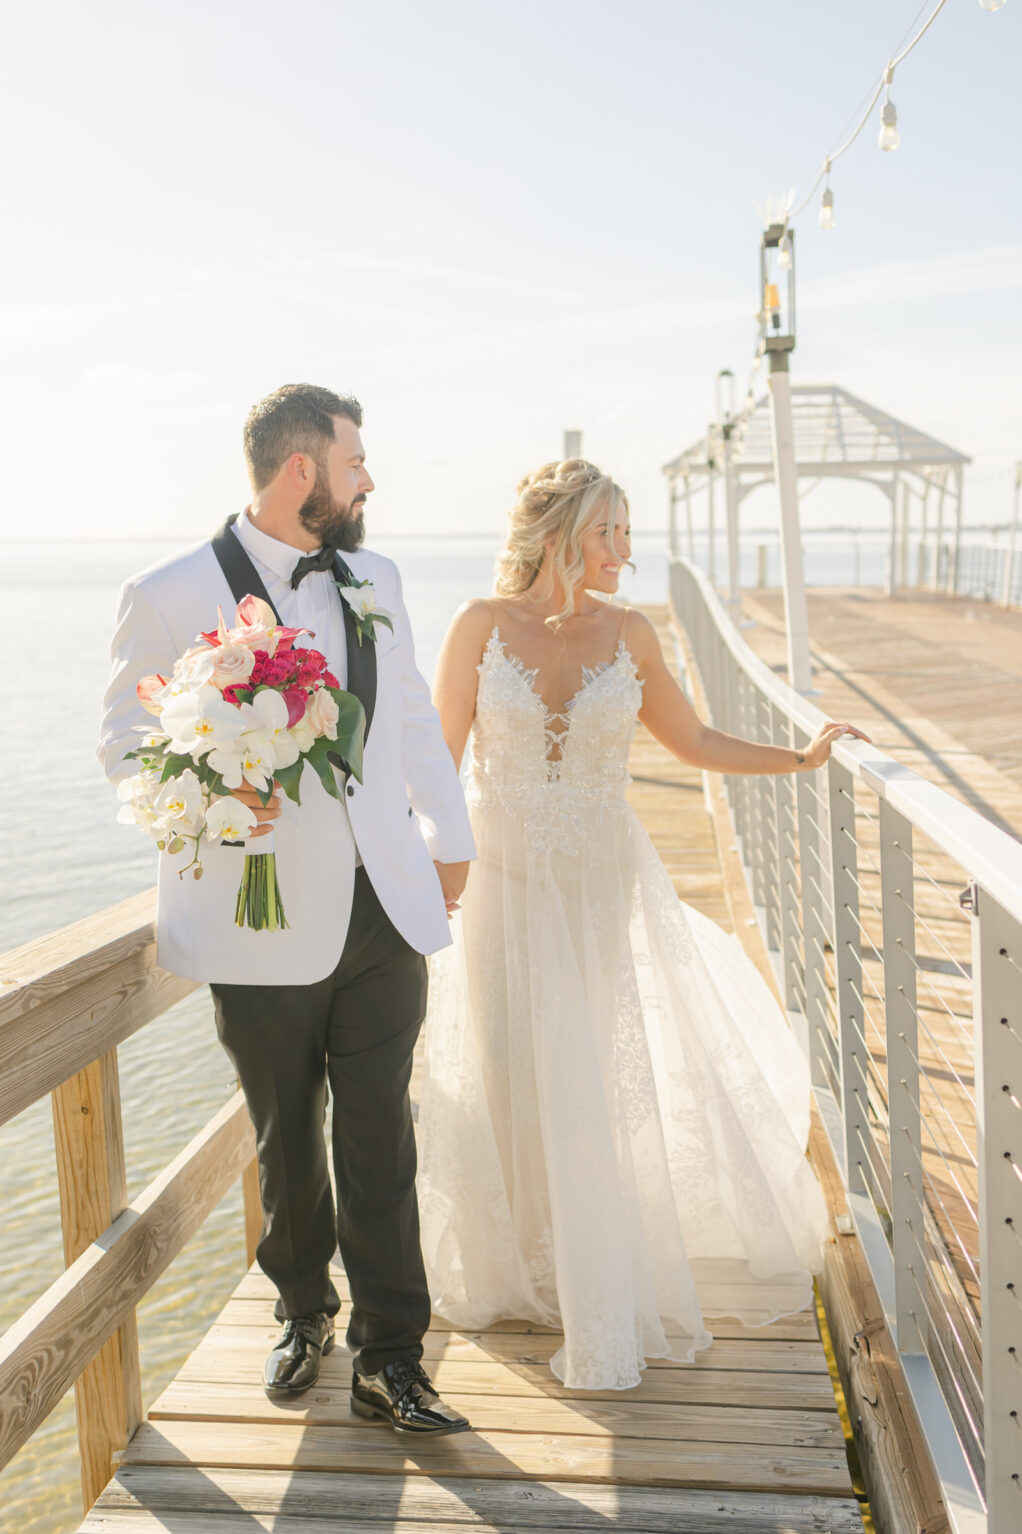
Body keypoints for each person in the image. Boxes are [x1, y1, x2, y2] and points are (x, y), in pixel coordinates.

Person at [417, 458, 867, 1392]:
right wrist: (426, 866)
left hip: (597, 887)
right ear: (559, 536)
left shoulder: (632, 633)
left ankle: (596, 1281)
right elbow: (439, 764)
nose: (628, 549)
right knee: (507, 1067)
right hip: (499, 883)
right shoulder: (476, 625)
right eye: (611, 531)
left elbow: (693, 742)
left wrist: (802, 756)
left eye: (629, 532)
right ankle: (523, 1261)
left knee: (584, 1069)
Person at [99, 383, 475, 1434]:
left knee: (379, 1133)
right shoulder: (169, 590)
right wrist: (219, 800)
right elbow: (122, 747)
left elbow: (407, 722)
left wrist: (454, 840)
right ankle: (304, 1306)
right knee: (286, 1139)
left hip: (380, 910)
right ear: (301, 469)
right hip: (253, 919)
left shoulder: (377, 576)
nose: (369, 481)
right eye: (355, 460)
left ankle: (390, 1355)